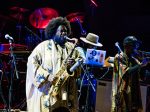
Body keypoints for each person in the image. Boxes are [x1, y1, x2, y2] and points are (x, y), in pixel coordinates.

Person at [26, 17, 82, 112]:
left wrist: (73, 66)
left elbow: (78, 72)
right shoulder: (42, 47)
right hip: (48, 91)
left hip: (66, 93)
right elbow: (32, 63)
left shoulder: (72, 48)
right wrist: (47, 76)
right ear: (53, 32)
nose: (64, 33)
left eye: (65, 31)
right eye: (61, 31)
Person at [111, 36, 149, 112]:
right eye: (135, 46)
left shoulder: (134, 60)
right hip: (123, 94)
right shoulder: (119, 57)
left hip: (134, 95)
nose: (136, 49)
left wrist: (145, 65)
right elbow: (126, 73)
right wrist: (141, 65)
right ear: (127, 46)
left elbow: (142, 77)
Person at [76, 33, 103, 112]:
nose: (94, 47)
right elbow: (82, 62)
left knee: (90, 102)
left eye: (95, 46)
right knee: (80, 102)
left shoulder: (95, 53)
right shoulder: (79, 50)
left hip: (90, 81)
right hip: (80, 80)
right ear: (86, 43)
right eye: (92, 45)